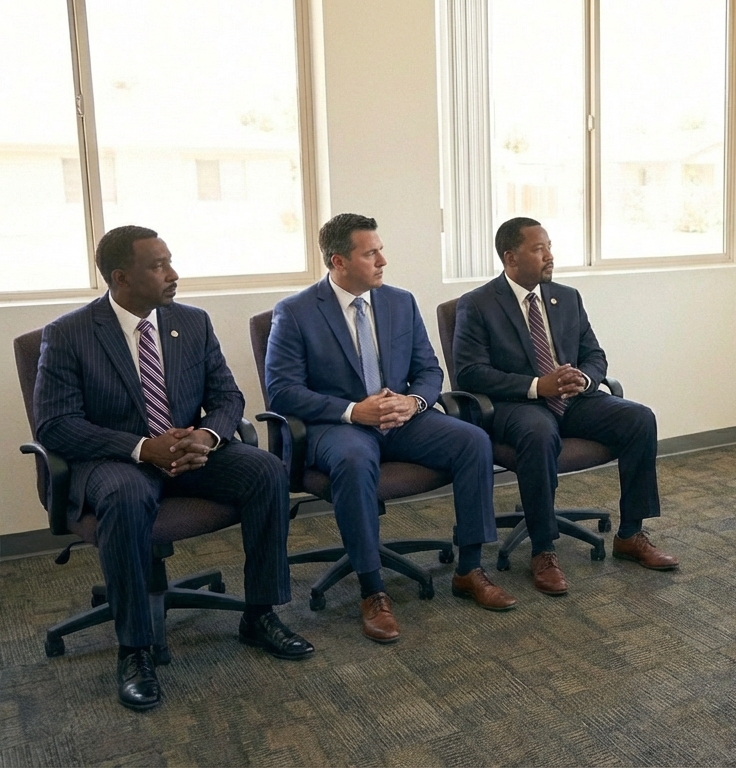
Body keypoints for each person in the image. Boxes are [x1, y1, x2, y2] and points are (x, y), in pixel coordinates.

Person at [34, 226, 313, 712]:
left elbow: (227, 396)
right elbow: (56, 425)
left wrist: (206, 437)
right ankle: (135, 647)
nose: (173, 274)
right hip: (115, 459)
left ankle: (260, 613)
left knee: (266, 469)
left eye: (170, 261)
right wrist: (144, 447)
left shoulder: (192, 322)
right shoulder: (69, 334)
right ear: (121, 277)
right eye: (158, 265)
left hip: (189, 449)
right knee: (126, 496)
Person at [265, 213, 513, 643]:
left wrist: (413, 401)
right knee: (354, 460)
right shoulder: (296, 312)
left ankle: (470, 567)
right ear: (338, 261)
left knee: (473, 440)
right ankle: (372, 588)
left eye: (380, 248)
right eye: (371, 252)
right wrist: (352, 411)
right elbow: (282, 391)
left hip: (402, 418)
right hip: (338, 425)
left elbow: (429, 370)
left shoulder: (400, 302)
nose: (383, 260)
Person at [451, 217, 678, 597]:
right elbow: (470, 373)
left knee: (639, 418)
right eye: (539, 249)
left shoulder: (566, 297)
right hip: (518, 404)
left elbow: (593, 353)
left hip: (574, 399)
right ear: (510, 257)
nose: (549, 256)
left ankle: (630, 534)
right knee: (538, 433)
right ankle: (543, 549)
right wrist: (539, 385)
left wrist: (585, 379)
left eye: (549, 246)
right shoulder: (477, 305)